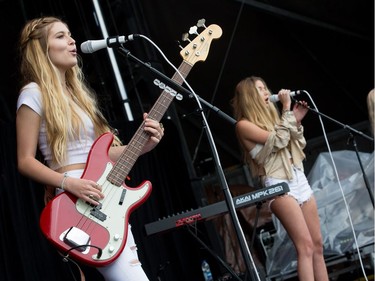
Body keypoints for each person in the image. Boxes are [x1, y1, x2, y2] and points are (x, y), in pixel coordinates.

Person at [16, 16, 164, 281]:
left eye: (70, 34)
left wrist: (143, 146)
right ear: (41, 49)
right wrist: (69, 184)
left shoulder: (78, 95)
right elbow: (25, 161)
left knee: (133, 269)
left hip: (104, 194)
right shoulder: (33, 93)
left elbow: (103, 154)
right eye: (60, 36)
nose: (72, 41)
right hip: (76, 195)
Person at [231, 76, 328, 281]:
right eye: (260, 89)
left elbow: (296, 143)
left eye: (266, 88)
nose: (267, 92)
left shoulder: (276, 119)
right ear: (250, 97)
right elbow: (278, 140)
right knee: (306, 246)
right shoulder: (243, 125)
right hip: (278, 184)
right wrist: (287, 111)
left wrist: (296, 119)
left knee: (318, 244)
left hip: (298, 177)